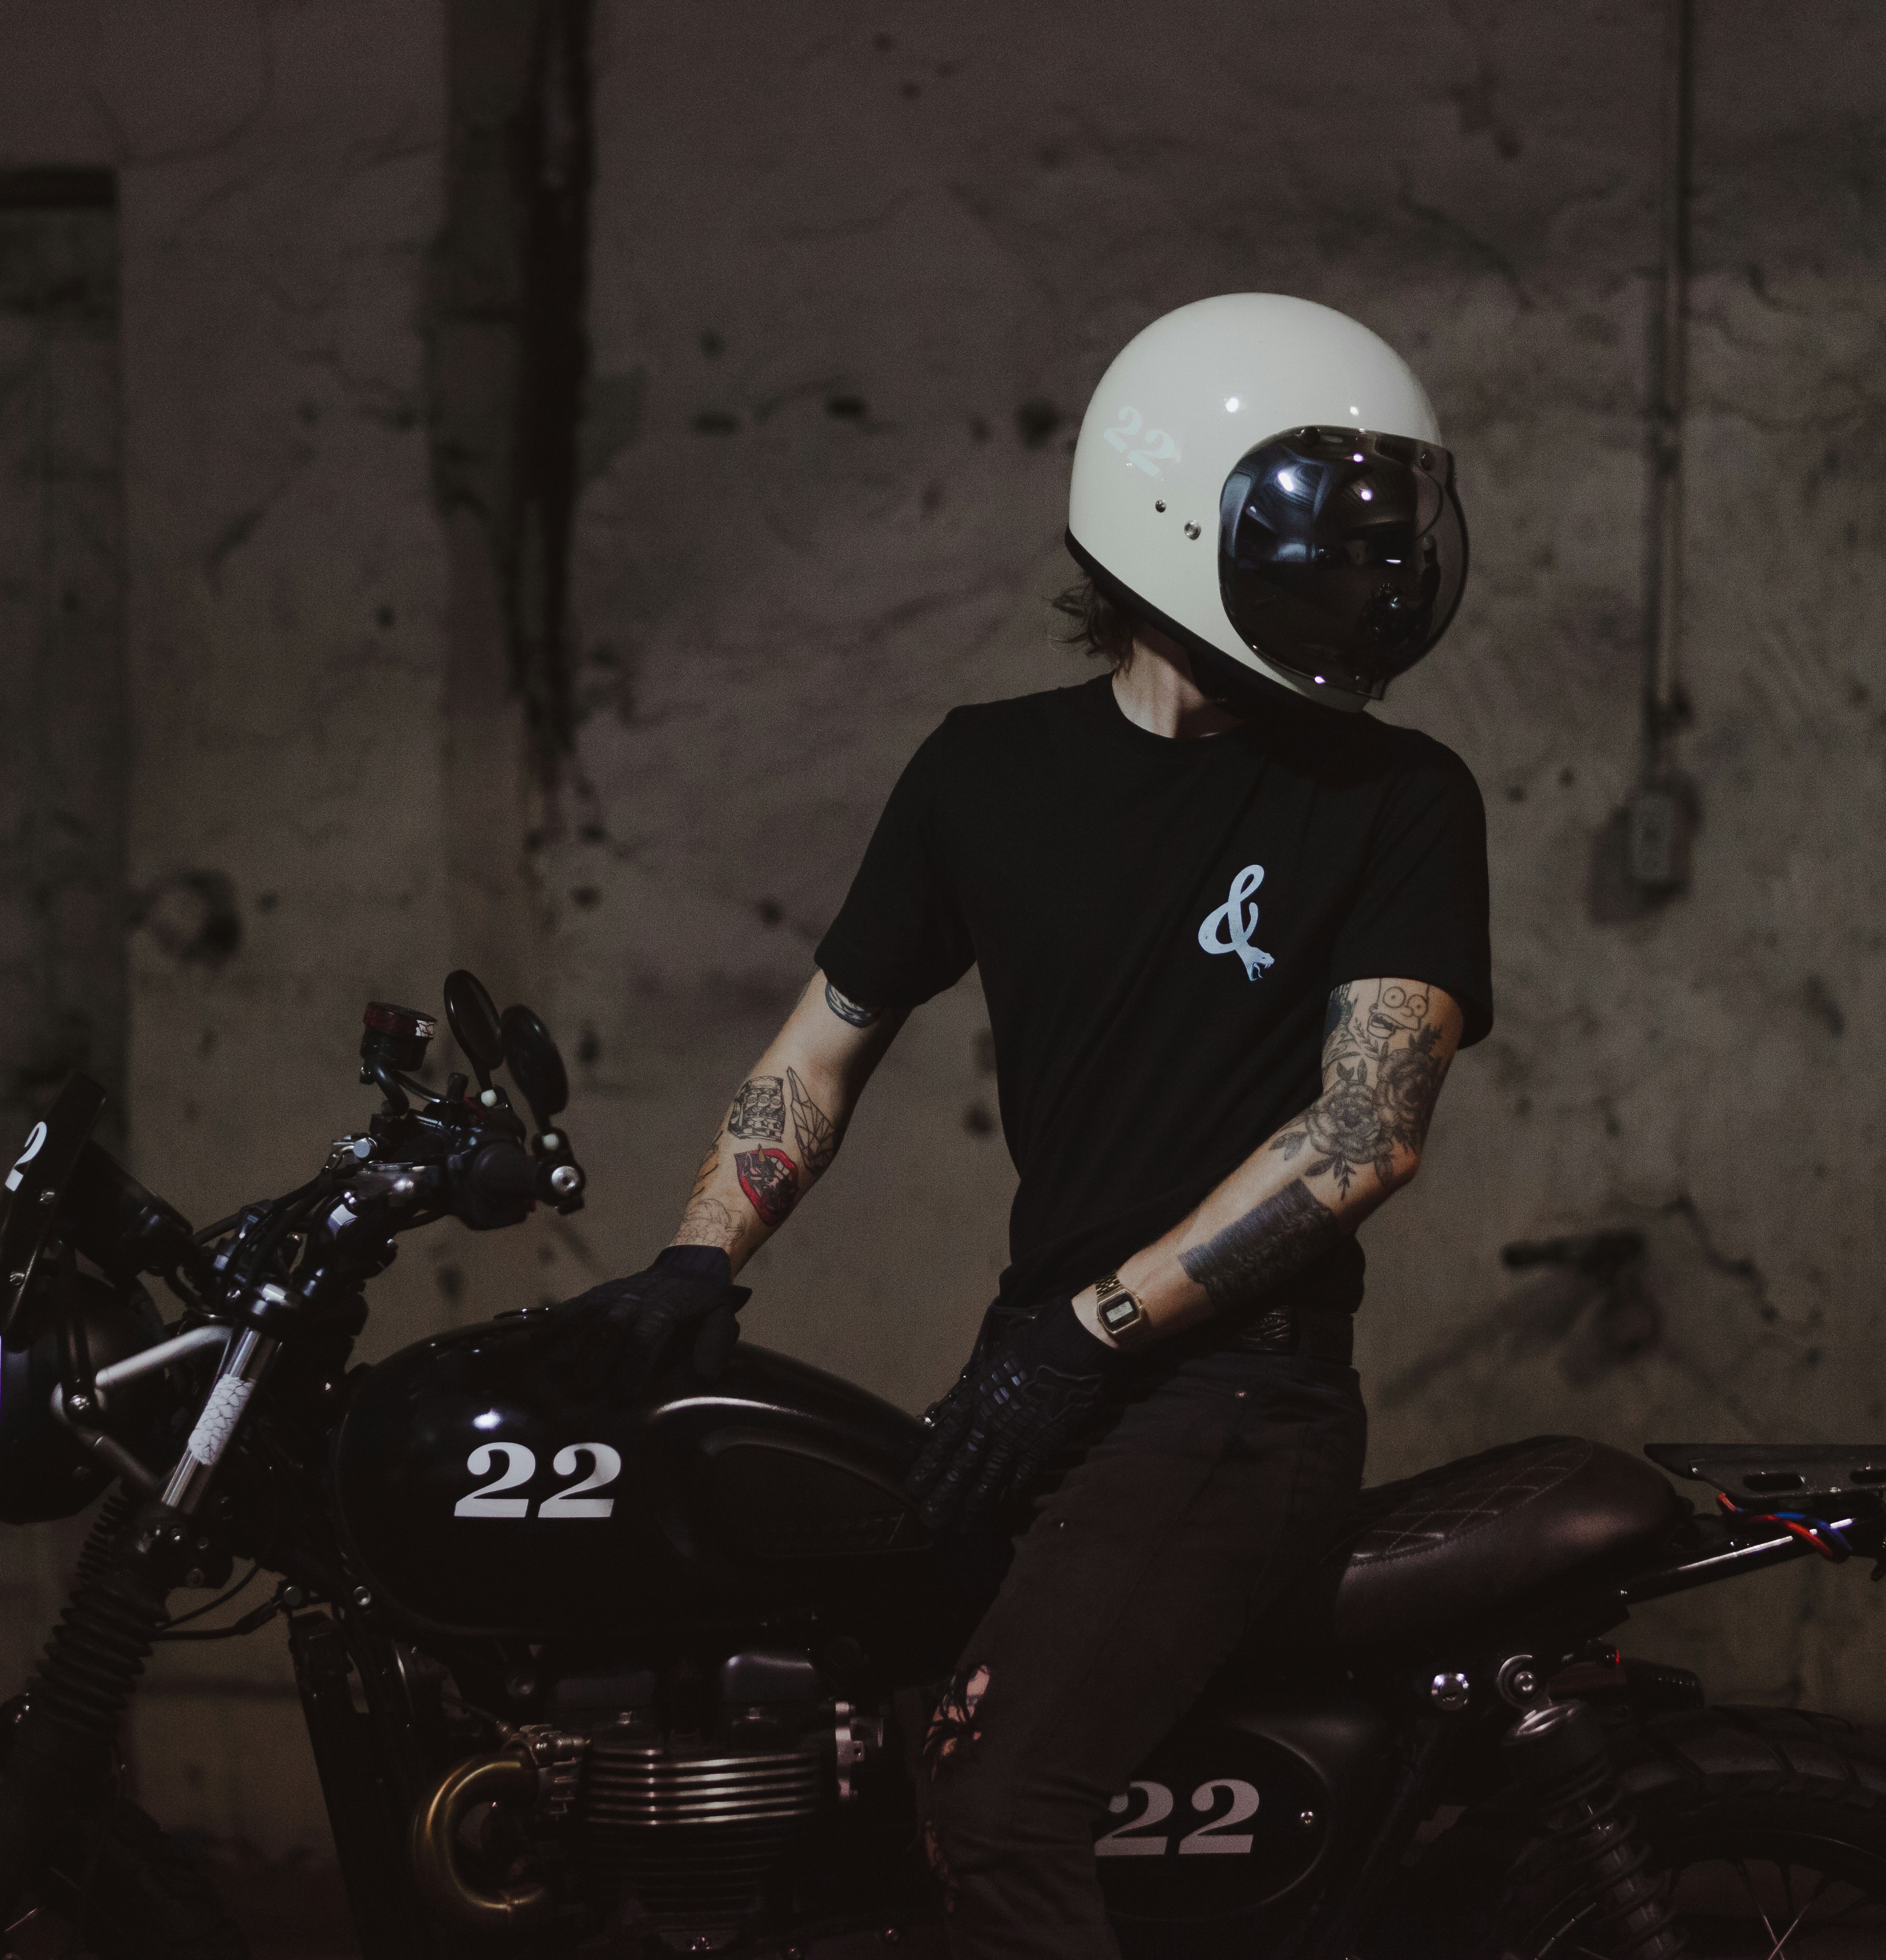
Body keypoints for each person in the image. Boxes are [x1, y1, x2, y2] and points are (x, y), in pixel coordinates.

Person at [546, 293, 1492, 1959]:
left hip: (1237, 1399)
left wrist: (1092, 1329)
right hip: (1040, 1366)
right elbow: (822, 1049)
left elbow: (1363, 1135)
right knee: (846, 1721)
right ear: (1173, 512)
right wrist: (697, 1260)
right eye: (1327, 532)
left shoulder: (1398, 798)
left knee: (993, 1799)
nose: (1372, 573)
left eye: (1384, 532)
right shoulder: (986, 775)